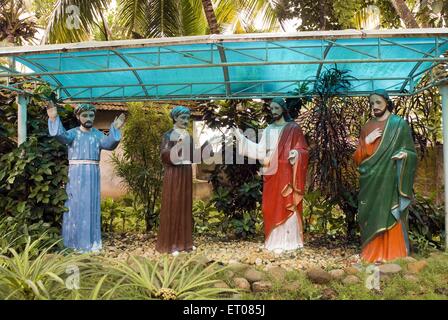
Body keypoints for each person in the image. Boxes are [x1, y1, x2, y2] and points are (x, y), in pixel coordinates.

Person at [47, 102, 125, 252]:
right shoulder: (73, 133)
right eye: (84, 115)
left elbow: (109, 143)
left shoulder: (97, 134)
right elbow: (59, 134)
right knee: (74, 204)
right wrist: (53, 118)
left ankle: (91, 242)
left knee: (91, 204)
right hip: (76, 173)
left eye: (91, 115)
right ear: (77, 116)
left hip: (92, 172)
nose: (88, 118)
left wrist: (115, 128)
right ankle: (72, 243)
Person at [233, 98, 308, 253]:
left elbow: (304, 150)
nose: (273, 111)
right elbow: (260, 151)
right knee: (270, 206)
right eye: (271, 108)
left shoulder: (293, 128)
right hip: (271, 174)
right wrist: (242, 139)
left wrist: (296, 153)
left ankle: (290, 242)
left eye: (276, 108)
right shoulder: (268, 129)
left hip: (287, 173)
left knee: (287, 203)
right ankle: (273, 241)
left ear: (283, 108)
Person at [353, 89, 417, 263]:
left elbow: (411, 152)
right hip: (370, 180)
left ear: (387, 102)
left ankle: (394, 253)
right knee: (371, 213)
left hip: (391, 179)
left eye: (378, 103)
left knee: (390, 211)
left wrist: (404, 156)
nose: (374, 106)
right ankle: (372, 253)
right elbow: (358, 158)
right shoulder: (367, 127)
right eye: (372, 103)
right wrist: (367, 142)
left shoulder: (399, 124)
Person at [156, 106, 213, 255]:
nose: (186, 121)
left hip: (186, 172)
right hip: (174, 174)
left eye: (187, 118)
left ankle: (185, 242)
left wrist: (205, 149)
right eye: (182, 118)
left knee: (185, 207)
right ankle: (171, 243)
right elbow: (164, 155)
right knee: (173, 206)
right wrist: (178, 147)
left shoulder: (189, 136)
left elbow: (193, 156)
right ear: (175, 118)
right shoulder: (168, 135)